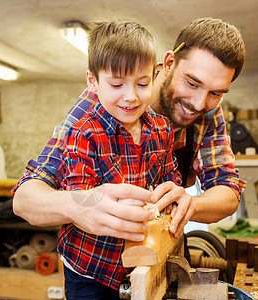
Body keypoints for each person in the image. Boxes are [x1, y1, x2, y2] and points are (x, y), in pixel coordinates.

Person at [13, 14, 246, 285]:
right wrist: (79, 206)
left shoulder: (208, 110)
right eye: (192, 83)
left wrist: (190, 203)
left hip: (162, 257)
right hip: (98, 270)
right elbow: (25, 197)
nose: (198, 102)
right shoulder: (97, 107)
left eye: (215, 92)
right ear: (169, 63)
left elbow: (229, 190)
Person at [47, 21, 182, 298]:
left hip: (142, 260)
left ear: (154, 78)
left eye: (142, 83)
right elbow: (81, 200)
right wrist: (127, 204)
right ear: (93, 82)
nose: (131, 96)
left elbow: (171, 176)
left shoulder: (162, 128)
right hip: (90, 268)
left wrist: (171, 193)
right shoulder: (82, 131)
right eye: (117, 84)